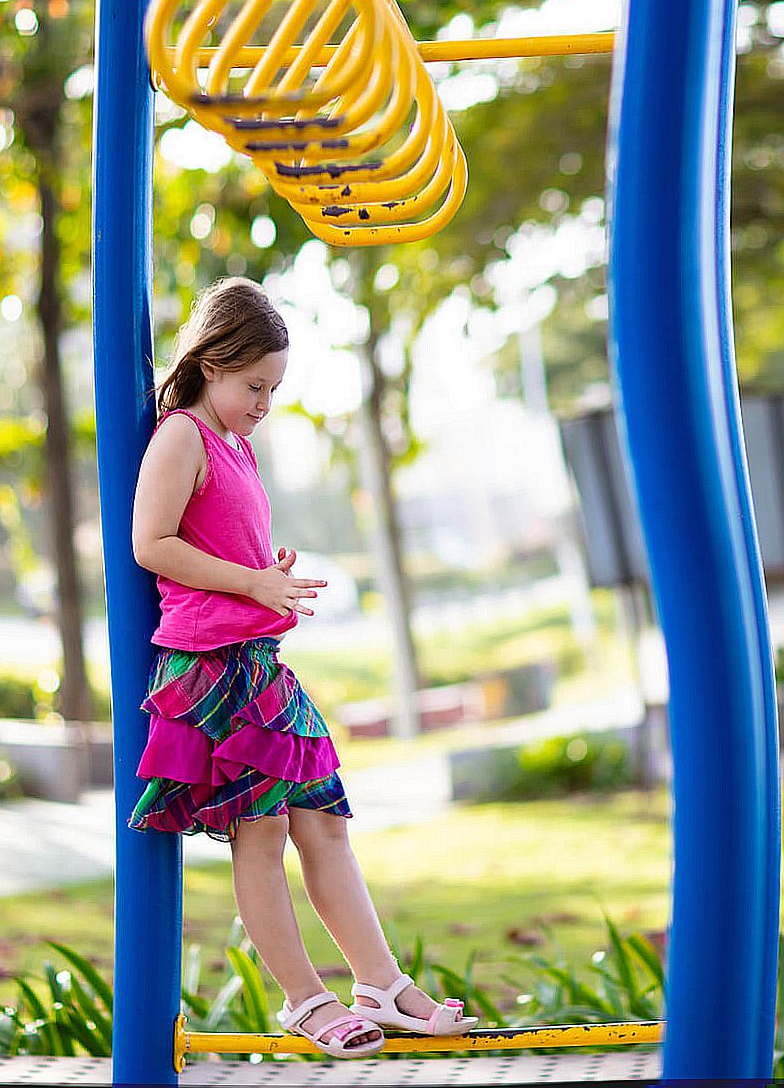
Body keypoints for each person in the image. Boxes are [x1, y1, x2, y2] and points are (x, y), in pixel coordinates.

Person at [128, 277, 476, 1059]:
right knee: (265, 832)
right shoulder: (182, 434)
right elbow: (152, 543)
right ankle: (304, 999)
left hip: (260, 663)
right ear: (212, 362)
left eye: (274, 389)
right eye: (255, 385)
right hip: (211, 670)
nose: (263, 403)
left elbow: (215, 544)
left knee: (326, 823)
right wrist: (253, 581)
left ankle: (381, 984)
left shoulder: (237, 445)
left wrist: (263, 570)